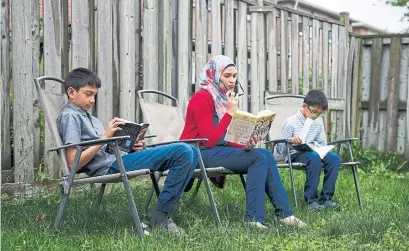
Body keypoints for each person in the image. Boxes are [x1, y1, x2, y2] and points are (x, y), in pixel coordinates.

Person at [57, 67, 197, 235]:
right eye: (88, 94)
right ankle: (160, 217)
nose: (93, 100)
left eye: (94, 95)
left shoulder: (91, 119)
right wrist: (105, 137)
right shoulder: (70, 116)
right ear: (71, 92)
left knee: (193, 151)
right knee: (182, 150)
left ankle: (163, 211)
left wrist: (131, 146)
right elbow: (73, 162)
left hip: (118, 159)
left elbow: (106, 148)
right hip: (111, 166)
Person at [179, 55, 306, 229]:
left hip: (215, 151)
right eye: (227, 76)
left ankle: (286, 215)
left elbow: (225, 137)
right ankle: (254, 219)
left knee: (265, 154)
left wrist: (244, 145)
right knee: (257, 158)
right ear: (214, 75)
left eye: (234, 76)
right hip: (197, 153)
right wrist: (231, 113)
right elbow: (209, 141)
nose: (232, 81)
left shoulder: (222, 100)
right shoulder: (202, 98)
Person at [276, 90, 341, 211]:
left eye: (319, 114)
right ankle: (311, 201)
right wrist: (290, 141)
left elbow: (322, 144)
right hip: (294, 154)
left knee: (334, 159)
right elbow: (280, 148)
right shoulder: (291, 122)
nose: (316, 116)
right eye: (314, 112)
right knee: (313, 157)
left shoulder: (317, 122)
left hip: (312, 151)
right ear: (304, 106)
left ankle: (326, 199)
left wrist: (314, 145)